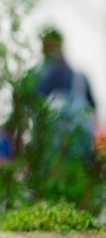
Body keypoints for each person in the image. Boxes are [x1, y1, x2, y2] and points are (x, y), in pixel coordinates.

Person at [34, 25, 96, 161]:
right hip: (81, 144)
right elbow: (94, 112)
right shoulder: (81, 77)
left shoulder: (47, 74)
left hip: (54, 146)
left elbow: (32, 103)